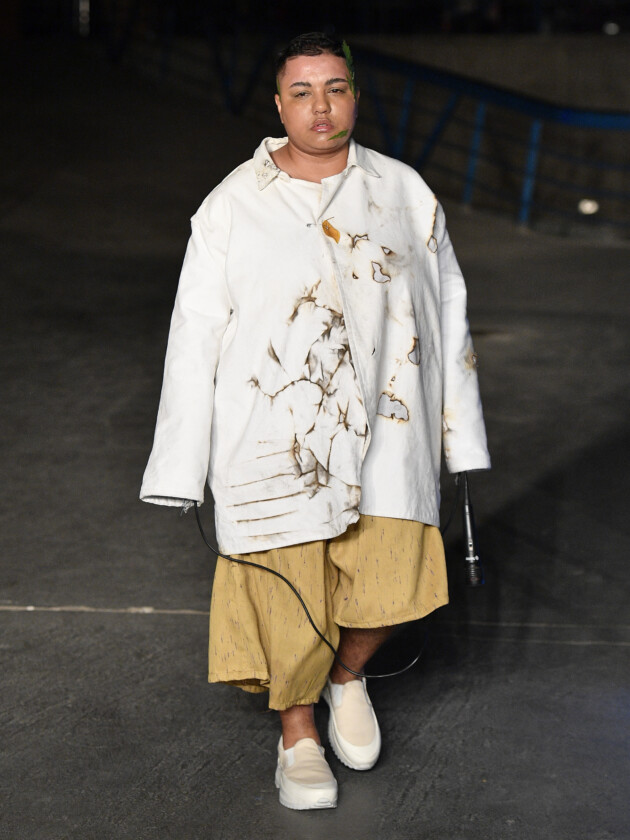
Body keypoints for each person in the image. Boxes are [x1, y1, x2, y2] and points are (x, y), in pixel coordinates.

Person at [140, 31, 490, 810]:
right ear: (278, 104)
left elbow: (449, 312)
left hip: (388, 431)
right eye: (302, 91)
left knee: (397, 578)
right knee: (285, 592)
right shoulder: (233, 204)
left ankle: (345, 676)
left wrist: (458, 433)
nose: (320, 107)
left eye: (334, 88)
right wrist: (179, 466)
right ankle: (296, 732)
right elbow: (194, 335)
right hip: (274, 438)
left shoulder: (403, 192)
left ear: (355, 96)